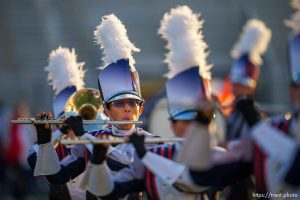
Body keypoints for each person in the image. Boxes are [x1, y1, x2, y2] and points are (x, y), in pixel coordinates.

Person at [84, 6, 226, 200]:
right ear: (172, 125)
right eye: (119, 103)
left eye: (200, 120)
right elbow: (107, 191)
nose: (127, 108)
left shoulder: (156, 144)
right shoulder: (161, 150)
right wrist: (50, 140)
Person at [32, 14, 153, 200]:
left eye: (133, 102)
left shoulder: (152, 141)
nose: (128, 108)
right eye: (120, 104)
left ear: (141, 108)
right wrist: (45, 141)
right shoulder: (93, 137)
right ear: (106, 111)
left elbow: (123, 165)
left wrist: (83, 136)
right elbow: (57, 177)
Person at [27, 46, 87, 200]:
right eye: (67, 120)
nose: (72, 124)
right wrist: (60, 132)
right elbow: (32, 158)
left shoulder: (90, 142)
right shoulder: (56, 145)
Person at [224, 19, 271, 200]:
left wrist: (228, 146)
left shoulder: (256, 113)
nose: (236, 89)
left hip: (248, 179)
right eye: (234, 84)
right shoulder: (234, 110)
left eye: (240, 85)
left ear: (251, 87)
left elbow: (253, 147)